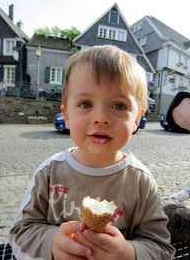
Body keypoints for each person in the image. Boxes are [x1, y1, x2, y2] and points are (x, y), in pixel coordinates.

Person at [9, 45, 175, 259]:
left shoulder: (141, 182)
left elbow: (161, 249)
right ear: (66, 115)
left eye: (119, 106)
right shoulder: (49, 173)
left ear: (137, 119)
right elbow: (20, 231)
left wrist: (128, 253)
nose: (101, 118)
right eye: (85, 103)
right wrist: (52, 243)